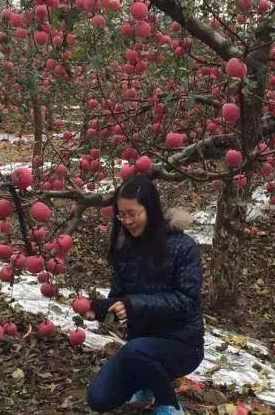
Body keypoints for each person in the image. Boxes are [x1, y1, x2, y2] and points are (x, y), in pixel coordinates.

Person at [82, 174, 205, 415]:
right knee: (98, 397)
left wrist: (133, 305)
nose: (127, 221)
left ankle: (168, 403)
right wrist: (97, 308)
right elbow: (120, 298)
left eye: (132, 213)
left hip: (182, 344)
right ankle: (148, 382)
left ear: (150, 210)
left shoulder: (183, 247)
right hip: (139, 347)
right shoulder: (124, 249)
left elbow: (187, 302)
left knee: (135, 351)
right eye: (122, 215)